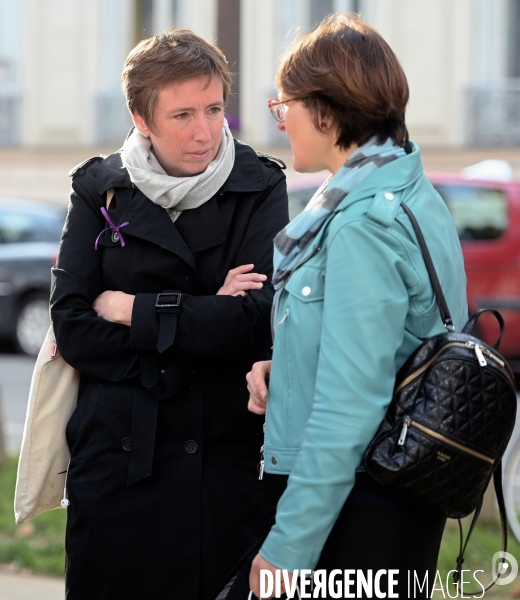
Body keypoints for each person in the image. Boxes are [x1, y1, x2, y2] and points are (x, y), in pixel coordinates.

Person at [50, 29, 288, 600]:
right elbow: (75, 329)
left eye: (214, 110)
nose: (205, 132)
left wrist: (132, 309)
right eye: (183, 115)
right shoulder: (98, 189)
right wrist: (205, 314)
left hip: (226, 465)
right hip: (121, 465)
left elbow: (257, 319)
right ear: (141, 118)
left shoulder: (259, 184)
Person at [243, 14, 468, 600]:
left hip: (360, 506)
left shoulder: (362, 223)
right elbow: (388, 348)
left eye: (283, 103)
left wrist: (289, 548)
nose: (280, 118)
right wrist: (285, 368)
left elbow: (350, 404)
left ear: (327, 109)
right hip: (387, 496)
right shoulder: (411, 191)